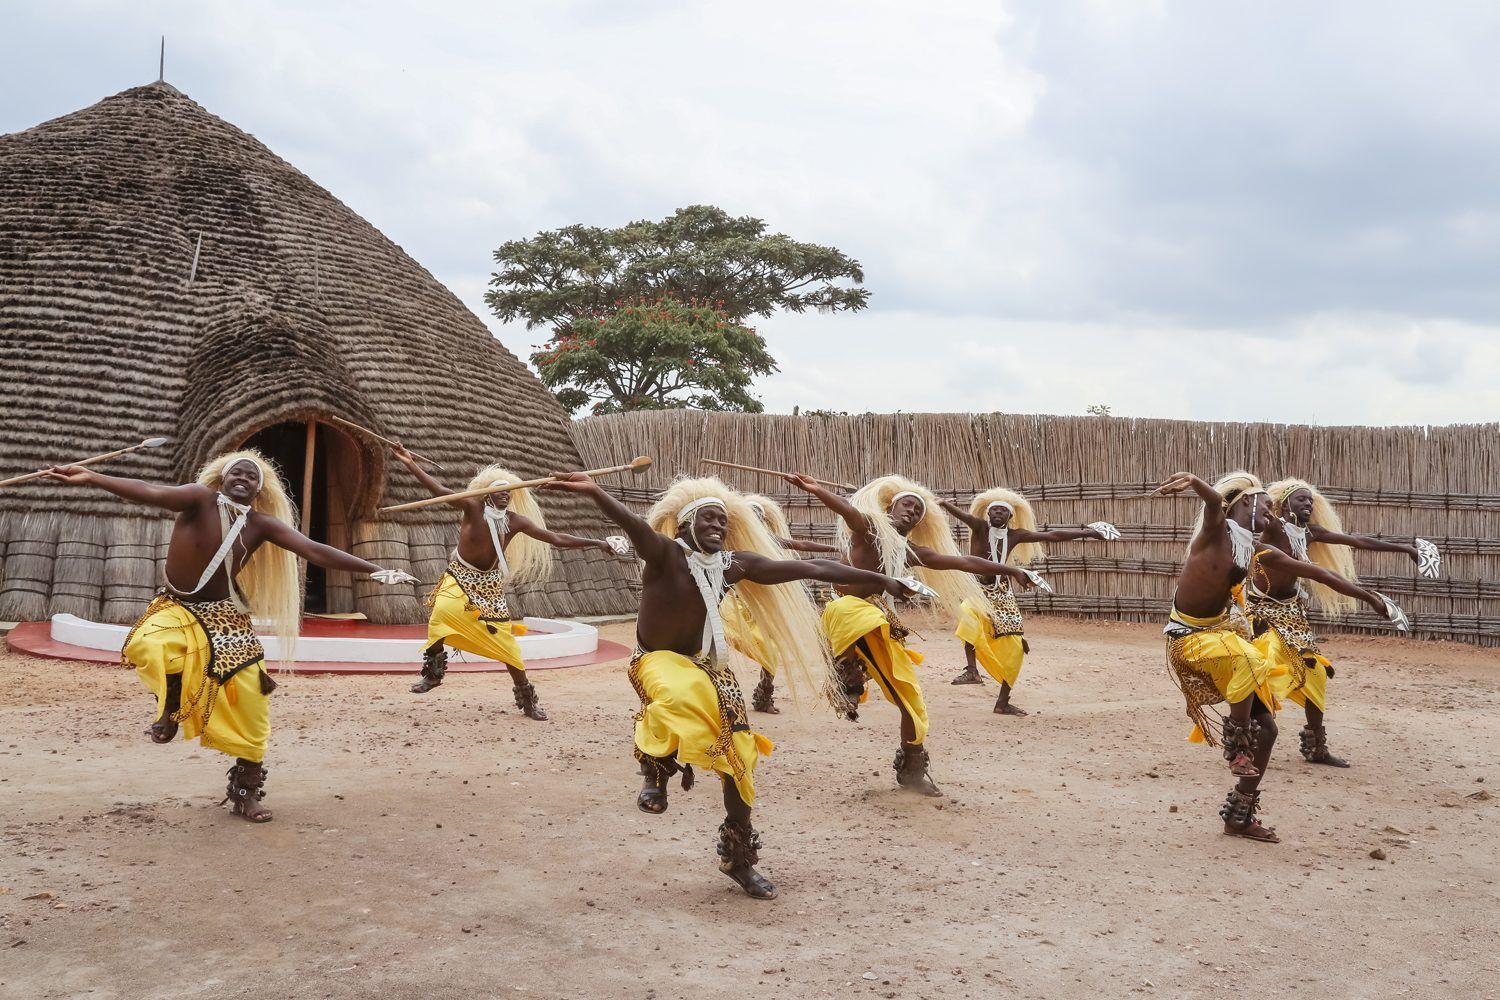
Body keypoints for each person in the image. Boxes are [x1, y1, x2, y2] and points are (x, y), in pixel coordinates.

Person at [543, 472, 916, 899]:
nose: (718, 526)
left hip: (710, 668)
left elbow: (811, 566)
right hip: (657, 661)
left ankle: (739, 859)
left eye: (723, 521)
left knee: (741, 760)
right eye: (708, 520)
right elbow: (633, 525)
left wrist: (886, 580)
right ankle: (655, 768)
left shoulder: (735, 565)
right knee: (681, 695)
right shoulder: (664, 553)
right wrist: (593, 491)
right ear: (684, 526)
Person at [46, 451, 417, 822]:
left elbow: (312, 549)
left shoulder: (260, 524)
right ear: (221, 478)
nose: (243, 478)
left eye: (251, 476)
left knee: (252, 702)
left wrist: (376, 571)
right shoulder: (197, 498)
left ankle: (245, 791)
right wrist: (94, 478)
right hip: (176, 606)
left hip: (225, 615)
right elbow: (150, 491)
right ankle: (172, 705)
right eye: (236, 472)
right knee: (151, 645)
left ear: (259, 488)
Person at [784, 473, 1037, 797]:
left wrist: (1012, 570)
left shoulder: (910, 551)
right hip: (844, 611)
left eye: (918, 510)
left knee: (912, 701)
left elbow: (963, 561)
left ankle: (912, 766)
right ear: (891, 506)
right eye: (907, 505)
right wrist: (817, 490)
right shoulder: (869, 529)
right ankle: (847, 672)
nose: (912, 512)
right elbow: (848, 511)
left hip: (877, 620)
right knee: (861, 614)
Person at [394, 445, 626, 720]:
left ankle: (527, 699)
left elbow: (555, 538)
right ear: (488, 494)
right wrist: (410, 463)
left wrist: (599, 543)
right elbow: (439, 492)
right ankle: (433, 674)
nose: (506, 495)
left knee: (507, 645)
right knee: (441, 614)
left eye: (509, 492)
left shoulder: (514, 521)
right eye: (500, 491)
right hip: (459, 575)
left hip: (490, 585)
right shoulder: (471, 506)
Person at [1156, 470, 1284, 842]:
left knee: (1270, 729)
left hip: (1221, 639)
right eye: (1268, 506)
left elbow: (1306, 568)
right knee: (1248, 656)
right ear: (1248, 500)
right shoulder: (1216, 532)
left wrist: (1371, 598)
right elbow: (1213, 502)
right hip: (1191, 639)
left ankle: (1239, 816)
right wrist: (1194, 481)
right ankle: (1237, 746)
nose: (1272, 516)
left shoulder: (1249, 547)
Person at [1259, 478, 1417, 765]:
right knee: (1262, 668)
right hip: (1257, 612)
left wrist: (1406, 549)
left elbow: (1358, 541)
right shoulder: (1271, 527)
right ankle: (1245, 743)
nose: (1308, 503)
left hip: (1291, 614)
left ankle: (1316, 748)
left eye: (1311, 500)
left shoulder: (1309, 532)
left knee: (1316, 672)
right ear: (1284, 504)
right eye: (1301, 499)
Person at [939, 490, 1116, 714]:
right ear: (988, 513)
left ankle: (1002, 702)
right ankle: (972, 670)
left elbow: (1052, 535)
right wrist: (944, 503)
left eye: (1003, 510)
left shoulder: (1015, 535)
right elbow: (962, 516)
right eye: (994, 509)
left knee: (1015, 648)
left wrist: (1088, 533)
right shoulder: (979, 528)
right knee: (968, 615)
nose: (998, 513)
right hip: (977, 589)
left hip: (1002, 592)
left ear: (1010, 516)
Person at [732, 493, 840, 715]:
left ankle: (764, 693)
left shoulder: (769, 541)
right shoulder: (728, 542)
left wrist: (835, 549)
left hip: (763, 604)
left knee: (771, 650)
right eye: (751, 516)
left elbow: (800, 543)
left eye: (759, 517)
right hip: (733, 604)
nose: (756, 521)